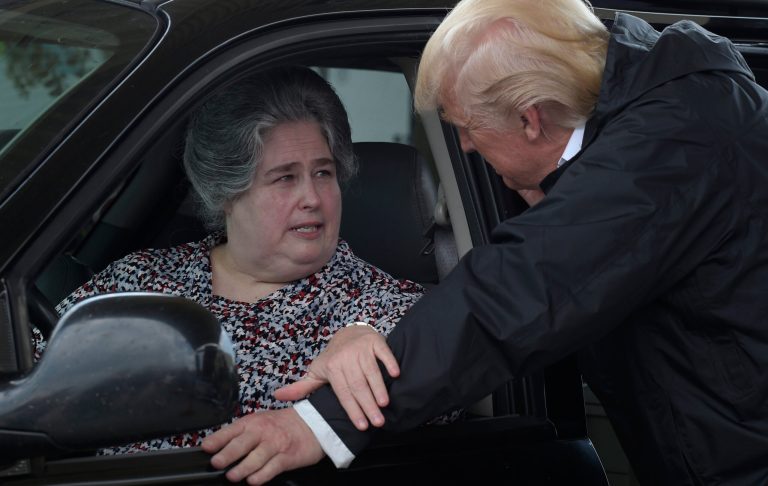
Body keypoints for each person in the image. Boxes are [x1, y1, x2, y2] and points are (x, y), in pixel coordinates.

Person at [200, 0, 768, 485]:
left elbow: (523, 283)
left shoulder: (677, 142)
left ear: (529, 120)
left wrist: (321, 421)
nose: (465, 147)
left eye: (467, 127)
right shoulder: (653, 119)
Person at [53, 65, 423, 454]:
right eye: (285, 178)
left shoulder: (380, 306)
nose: (312, 198)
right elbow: (30, 369)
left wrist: (367, 337)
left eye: (323, 173)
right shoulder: (141, 279)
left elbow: (435, 379)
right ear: (227, 190)